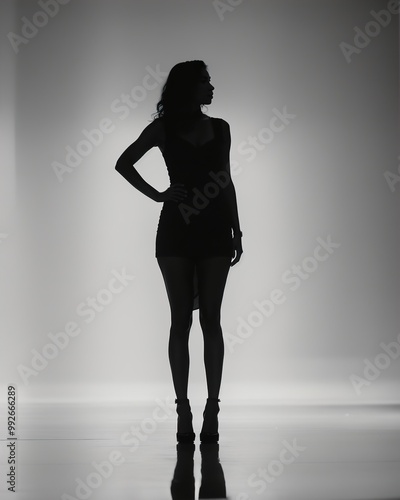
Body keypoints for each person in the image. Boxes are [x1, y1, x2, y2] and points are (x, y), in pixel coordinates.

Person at [115, 60, 243, 444]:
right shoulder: (163, 128)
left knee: (212, 322)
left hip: (216, 229)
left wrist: (237, 227)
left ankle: (212, 409)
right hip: (176, 230)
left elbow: (226, 179)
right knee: (180, 322)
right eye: (205, 80)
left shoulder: (221, 128)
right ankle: (183, 410)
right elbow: (123, 163)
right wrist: (158, 194)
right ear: (190, 87)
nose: (212, 86)